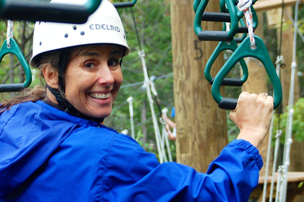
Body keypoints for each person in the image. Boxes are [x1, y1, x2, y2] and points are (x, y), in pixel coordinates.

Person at [0, 0, 274, 201]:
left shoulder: (10, 120)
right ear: (50, 74)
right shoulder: (107, 155)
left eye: (114, 61)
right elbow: (211, 196)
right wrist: (249, 135)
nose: (108, 77)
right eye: (90, 64)